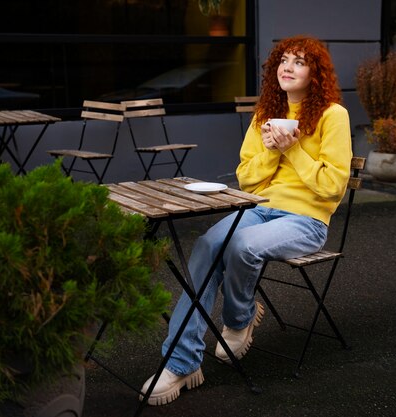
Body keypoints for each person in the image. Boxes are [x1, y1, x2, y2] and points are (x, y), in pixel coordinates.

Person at [140, 34, 352, 405]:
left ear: (315, 73)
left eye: (299, 61)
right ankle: (182, 362)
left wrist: (294, 149)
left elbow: (332, 187)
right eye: (283, 60)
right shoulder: (264, 114)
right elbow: (247, 180)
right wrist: (271, 152)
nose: (288, 66)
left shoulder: (333, 116)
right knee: (207, 245)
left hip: (307, 220)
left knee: (241, 244)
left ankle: (238, 319)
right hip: (260, 209)